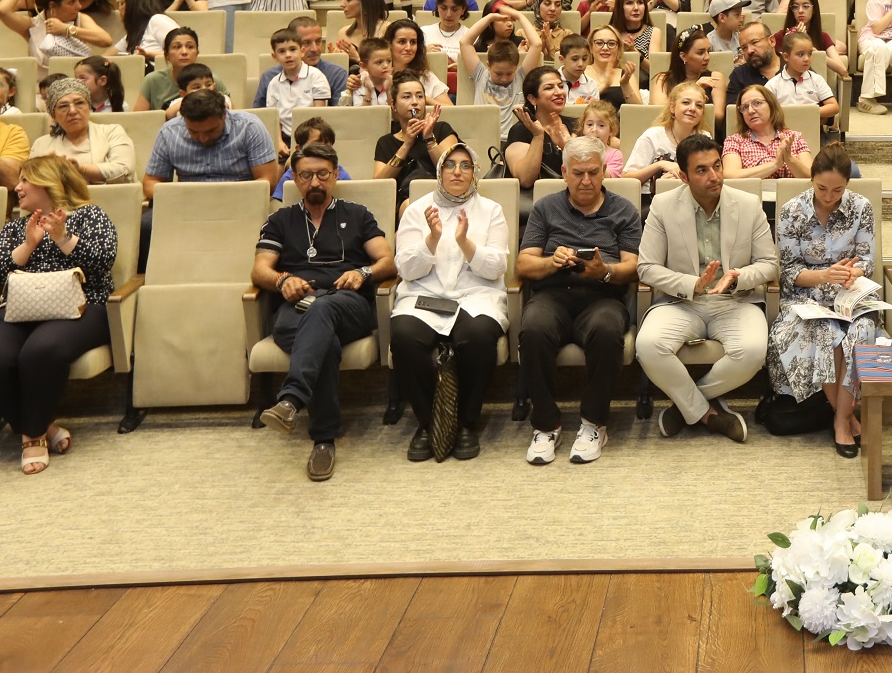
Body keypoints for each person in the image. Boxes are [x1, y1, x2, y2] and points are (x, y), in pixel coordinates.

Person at [0, 155, 118, 474]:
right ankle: (42, 426)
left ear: (48, 182)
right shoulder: (16, 226)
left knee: (41, 351)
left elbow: (103, 263)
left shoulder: (90, 215)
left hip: (82, 307)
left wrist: (62, 237)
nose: (16, 187)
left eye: (24, 180)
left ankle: (31, 438)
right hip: (22, 307)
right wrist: (28, 245)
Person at [251, 145, 393, 482]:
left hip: (347, 303)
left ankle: (291, 399)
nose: (315, 181)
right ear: (295, 179)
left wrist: (364, 274)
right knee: (321, 339)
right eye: (306, 175)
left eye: (322, 174)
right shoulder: (280, 220)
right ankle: (323, 439)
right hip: (295, 308)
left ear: (335, 174)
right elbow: (260, 271)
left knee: (325, 309)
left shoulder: (358, 213)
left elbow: (388, 260)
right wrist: (282, 279)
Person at [636, 135, 775, 442]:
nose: (714, 176)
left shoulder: (748, 204)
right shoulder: (663, 205)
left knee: (752, 351)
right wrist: (691, 284)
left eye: (717, 166)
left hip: (735, 301)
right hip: (681, 301)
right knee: (648, 345)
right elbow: (646, 266)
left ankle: (687, 406)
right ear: (683, 177)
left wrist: (737, 277)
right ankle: (709, 415)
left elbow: (769, 263)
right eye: (702, 171)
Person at [516, 137, 642, 466]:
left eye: (592, 172)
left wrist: (604, 271)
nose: (585, 181)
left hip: (602, 295)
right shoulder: (545, 208)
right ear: (563, 173)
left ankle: (593, 423)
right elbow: (523, 264)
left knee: (606, 330)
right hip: (553, 293)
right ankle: (545, 425)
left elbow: (634, 268)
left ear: (604, 171)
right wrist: (549, 262)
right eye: (577, 173)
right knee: (533, 329)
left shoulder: (623, 210)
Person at [390, 142, 507, 462]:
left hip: (475, 296)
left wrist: (464, 242)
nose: (457, 171)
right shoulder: (417, 209)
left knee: (479, 336)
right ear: (439, 171)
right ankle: (429, 423)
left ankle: (467, 423)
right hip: (424, 296)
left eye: (465, 165)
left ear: (475, 173)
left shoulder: (491, 210)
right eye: (450, 165)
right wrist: (431, 237)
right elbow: (406, 269)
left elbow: (497, 268)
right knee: (402, 335)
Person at [768, 144, 878, 456]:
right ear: (811, 180)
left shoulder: (861, 207)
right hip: (805, 296)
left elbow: (867, 261)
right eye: (821, 188)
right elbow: (788, 271)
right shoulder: (792, 211)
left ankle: (841, 417)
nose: (829, 196)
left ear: (847, 185)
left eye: (837, 190)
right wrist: (823, 276)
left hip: (849, 292)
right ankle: (845, 421)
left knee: (861, 332)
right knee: (824, 334)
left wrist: (851, 272)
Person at [140, 90, 279, 265]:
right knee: (145, 226)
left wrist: (220, 196)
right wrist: (184, 196)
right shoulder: (169, 133)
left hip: (238, 203)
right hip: (186, 204)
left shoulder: (249, 127)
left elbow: (268, 181)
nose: (203, 138)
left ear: (224, 114)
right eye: (194, 132)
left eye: (211, 131)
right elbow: (151, 183)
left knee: (272, 228)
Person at [33, 75, 135, 186]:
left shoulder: (112, 132)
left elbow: (125, 170)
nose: (72, 111)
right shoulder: (41, 144)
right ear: (54, 115)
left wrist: (79, 169)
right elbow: (30, 180)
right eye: (63, 106)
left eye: (79, 103)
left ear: (89, 108)